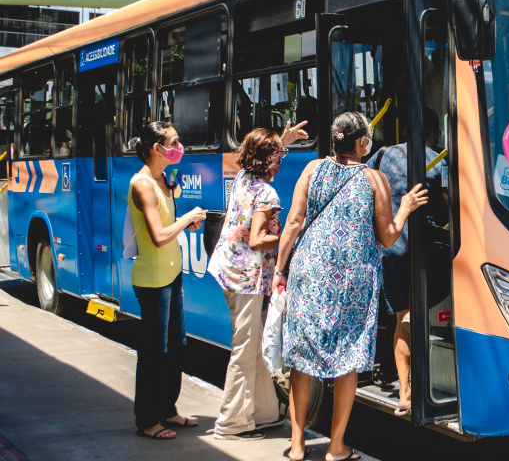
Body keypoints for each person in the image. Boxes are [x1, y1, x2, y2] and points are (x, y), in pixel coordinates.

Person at [274, 112, 428, 461]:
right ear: (361, 143)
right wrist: (404, 209)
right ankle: (336, 446)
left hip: (310, 274)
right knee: (347, 360)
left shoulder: (313, 171)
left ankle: (297, 446)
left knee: (303, 359)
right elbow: (388, 237)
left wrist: (280, 269)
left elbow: (294, 223)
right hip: (353, 281)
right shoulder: (375, 180)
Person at [207, 122, 308, 441]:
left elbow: (265, 149)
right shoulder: (266, 192)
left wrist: (284, 139)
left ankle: (264, 412)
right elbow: (257, 239)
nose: (282, 161)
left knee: (255, 345)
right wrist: (289, 235)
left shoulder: (244, 178)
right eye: (278, 156)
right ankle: (232, 423)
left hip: (230, 271)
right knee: (245, 348)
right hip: (246, 280)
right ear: (266, 161)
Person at [128, 121, 206, 440]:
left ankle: (168, 410)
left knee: (176, 346)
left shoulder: (164, 178)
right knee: (153, 351)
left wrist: (184, 225)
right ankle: (147, 420)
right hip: (152, 279)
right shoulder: (143, 184)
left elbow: (167, 224)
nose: (179, 146)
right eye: (173, 141)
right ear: (156, 148)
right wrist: (186, 219)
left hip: (171, 274)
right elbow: (159, 236)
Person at [366, 108, 444, 416]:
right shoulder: (438, 160)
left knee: (401, 321)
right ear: (433, 134)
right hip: (427, 252)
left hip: (392, 250)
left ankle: (405, 393)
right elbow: (448, 203)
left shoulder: (383, 155)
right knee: (427, 308)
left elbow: (368, 186)